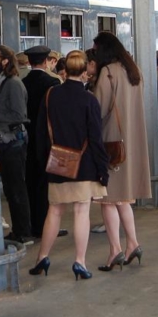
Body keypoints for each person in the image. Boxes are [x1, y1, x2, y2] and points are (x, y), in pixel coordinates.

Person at [30, 51, 110, 280]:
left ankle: (42, 257)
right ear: (85, 72)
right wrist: (102, 169)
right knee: (81, 211)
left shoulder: (50, 95)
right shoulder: (89, 100)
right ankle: (80, 262)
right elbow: (96, 138)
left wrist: (45, 162)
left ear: (63, 70)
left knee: (54, 211)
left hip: (57, 163)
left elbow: (41, 133)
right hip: (84, 165)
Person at [91, 32, 150, 269]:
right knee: (123, 198)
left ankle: (115, 249)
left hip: (112, 142)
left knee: (107, 199)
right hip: (131, 141)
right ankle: (133, 243)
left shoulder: (108, 73)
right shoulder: (133, 71)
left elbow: (99, 108)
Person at [0, 45, 32, 243]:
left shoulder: (13, 84)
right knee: (12, 187)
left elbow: (18, 114)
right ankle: (20, 230)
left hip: (13, 142)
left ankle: (22, 232)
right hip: (9, 141)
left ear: (5, 61)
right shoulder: (7, 82)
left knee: (16, 188)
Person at [22, 45, 62, 238]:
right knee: (47, 184)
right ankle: (48, 225)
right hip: (47, 139)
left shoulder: (22, 83)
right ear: (46, 61)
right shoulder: (53, 83)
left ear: (29, 62)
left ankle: (33, 224)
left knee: (30, 180)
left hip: (27, 138)